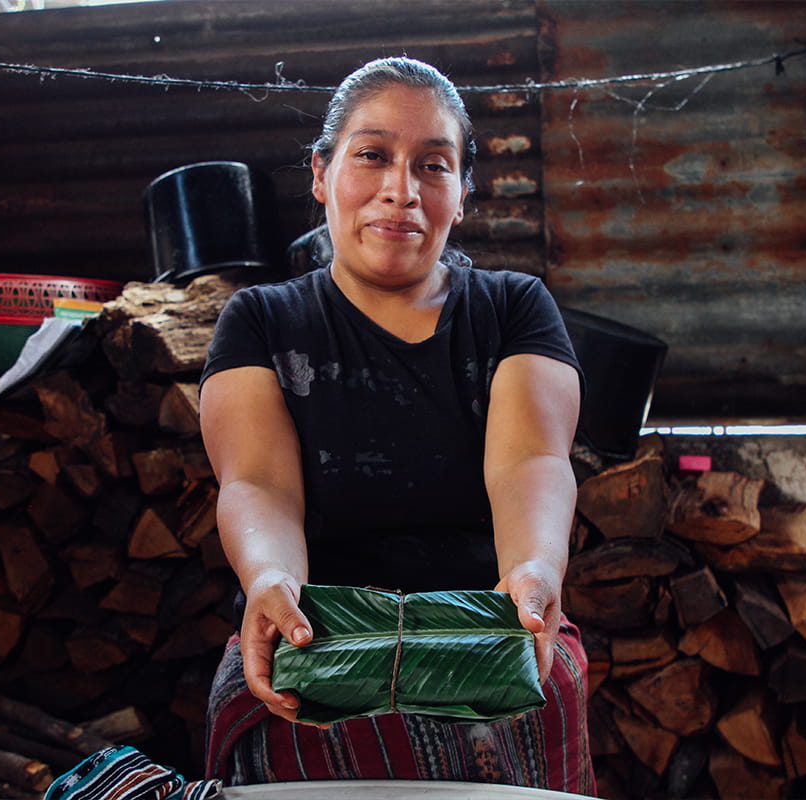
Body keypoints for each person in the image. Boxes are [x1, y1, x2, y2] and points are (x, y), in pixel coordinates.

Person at [199, 56, 595, 795]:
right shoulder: (261, 321)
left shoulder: (514, 309)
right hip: (317, 632)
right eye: (373, 155)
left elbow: (530, 464)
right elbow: (257, 483)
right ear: (321, 173)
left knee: (552, 684)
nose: (400, 191)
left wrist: (536, 572)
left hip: (488, 626)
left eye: (433, 166)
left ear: (463, 193)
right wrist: (270, 577)